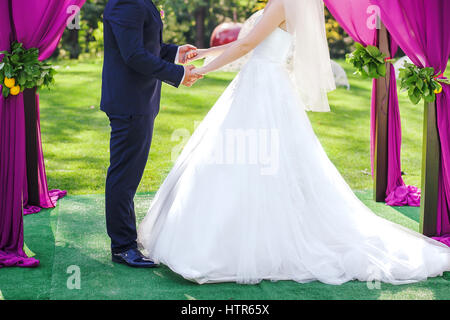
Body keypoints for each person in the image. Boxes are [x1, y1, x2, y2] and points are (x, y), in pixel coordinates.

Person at [138, 0, 450, 284]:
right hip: (261, 81)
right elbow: (250, 42)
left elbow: (248, 43)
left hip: (263, 86)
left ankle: (243, 244)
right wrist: (205, 52)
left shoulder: (285, 2)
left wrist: (199, 71)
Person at [100, 0, 202, 268]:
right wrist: (178, 74)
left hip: (139, 101)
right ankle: (123, 246)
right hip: (129, 102)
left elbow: (145, 46)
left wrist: (175, 52)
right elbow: (133, 55)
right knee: (124, 175)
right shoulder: (126, 2)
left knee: (128, 174)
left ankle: (126, 241)